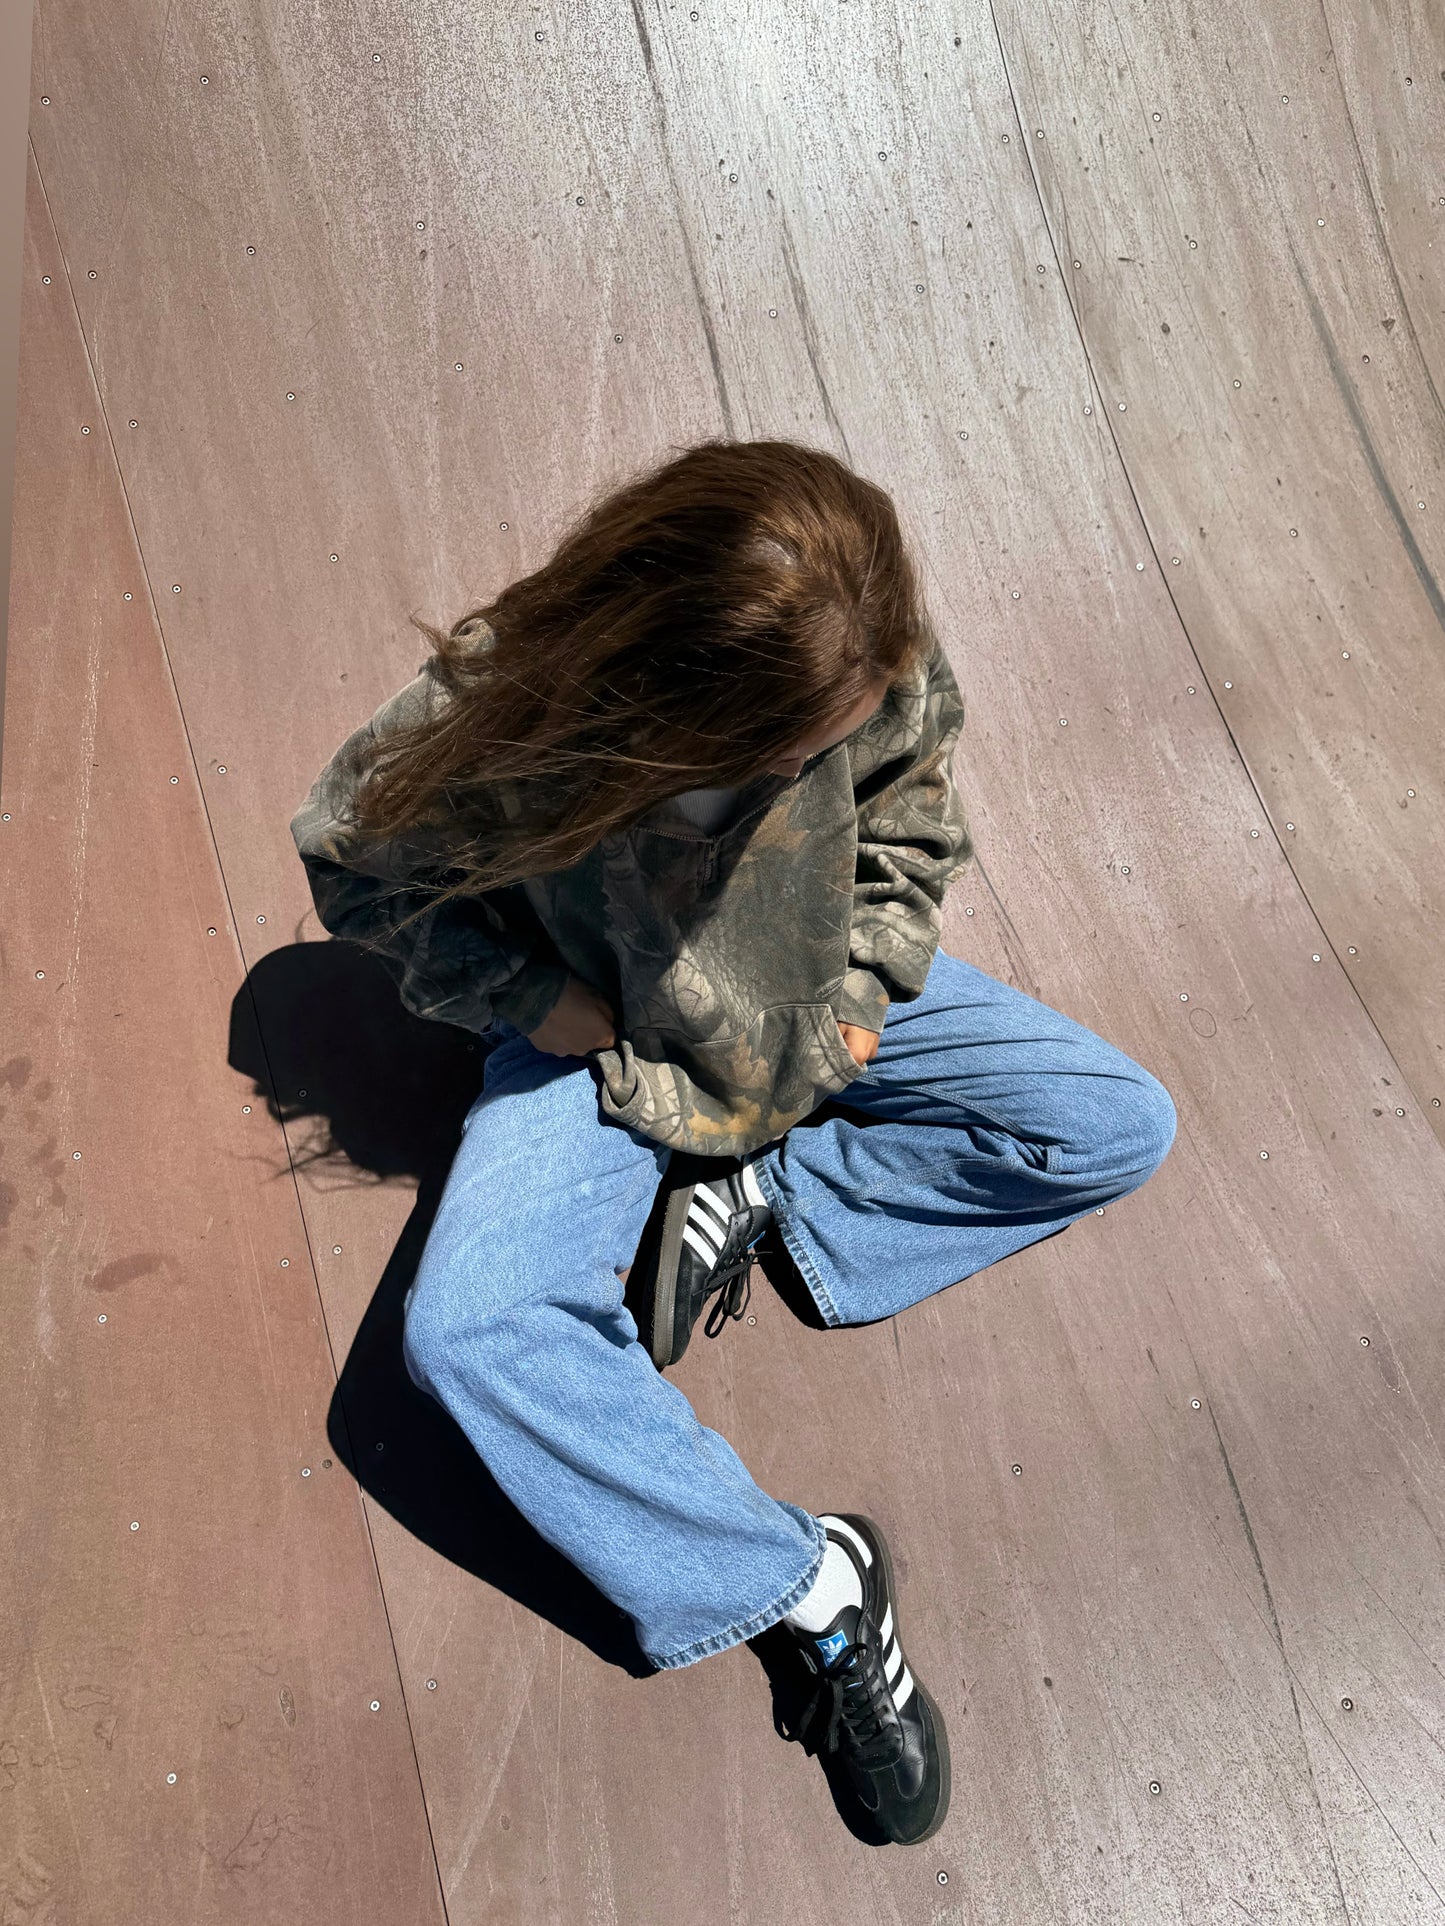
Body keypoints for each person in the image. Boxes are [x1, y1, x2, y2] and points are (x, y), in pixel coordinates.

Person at [290, 437, 1176, 1846]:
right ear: (667, 686)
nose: (804, 761)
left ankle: (771, 1188)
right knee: (468, 1333)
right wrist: (529, 996)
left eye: (824, 739)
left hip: (802, 1006)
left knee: (1112, 1123)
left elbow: (908, 825)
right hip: (608, 1046)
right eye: (776, 748)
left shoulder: (867, 653)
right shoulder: (500, 712)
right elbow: (349, 858)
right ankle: (805, 1587)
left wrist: (861, 1004)